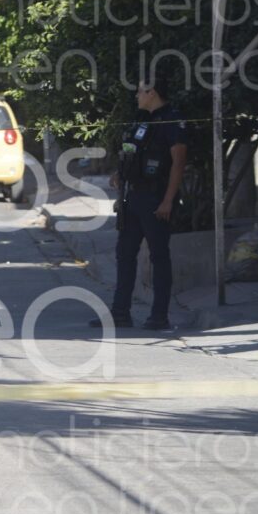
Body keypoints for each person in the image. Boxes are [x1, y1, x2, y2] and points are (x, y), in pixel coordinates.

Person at [90, 76, 189, 330]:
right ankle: (120, 312)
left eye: (140, 92)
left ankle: (159, 316)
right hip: (133, 197)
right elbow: (133, 153)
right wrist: (120, 173)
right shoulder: (142, 120)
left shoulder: (172, 121)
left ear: (152, 92)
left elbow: (178, 163)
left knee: (159, 256)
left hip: (156, 198)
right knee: (124, 254)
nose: (137, 96)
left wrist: (168, 200)